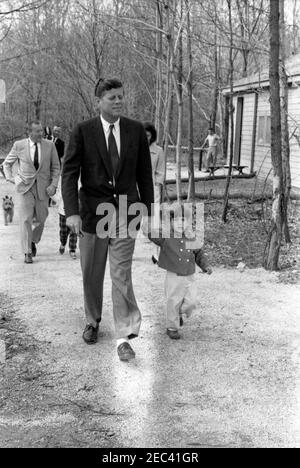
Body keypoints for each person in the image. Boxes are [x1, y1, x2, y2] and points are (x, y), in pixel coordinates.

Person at [61, 77, 154, 362]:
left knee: (121, 274)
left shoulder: (136, 130)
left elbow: (144, 174)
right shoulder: (83, 131)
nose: (118, 101)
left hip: (126, 209)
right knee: (92, 272)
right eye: (112, 97)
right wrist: (72, 212)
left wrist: (147, 211)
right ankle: (93, 320)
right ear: (98, 101)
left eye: (121, 97)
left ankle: (124, 336)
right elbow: (69, 173)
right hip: (93, 211)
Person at [144, 202, 212, 340]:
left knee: (191, 302)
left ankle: (178, 314)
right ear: (170, 222)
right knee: (173, 301)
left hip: (189, 276)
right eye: (176, 220)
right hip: (174, 276)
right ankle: (172, 327)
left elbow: (198, 253)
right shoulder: (166, 237)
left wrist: (206, 266)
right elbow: (151, 234)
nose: (180, 223)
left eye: (183, 220)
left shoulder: (190, 237)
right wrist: (149, 220)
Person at [3, 121, 60, 263]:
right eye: (38, 131)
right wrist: (12, 179)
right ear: (30, 132)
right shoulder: (19, 145)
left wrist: (53, 185)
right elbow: (6, 164)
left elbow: (56, 167)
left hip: (43, 188)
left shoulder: (50, 145)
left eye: (42, 130)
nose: (41, 133)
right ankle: (27, 252)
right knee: (25, 219)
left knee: (42, 218)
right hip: (25, 188)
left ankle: (33, 240)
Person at [143, 122, 165, 263]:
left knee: (153, 221)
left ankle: (156, 253)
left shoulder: (158, 151)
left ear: (152, 136)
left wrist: (157, 187)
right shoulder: (133, 148)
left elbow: (160, 172)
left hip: (152, 190)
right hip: (134, 190)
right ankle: (127, 251)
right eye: (143, 135)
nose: (146, 138)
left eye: (148, 135)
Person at [51, 173, 78, 259]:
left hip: (75, 212)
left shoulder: (80, 181)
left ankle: (72, 250)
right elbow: (58, 197)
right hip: (63, 212)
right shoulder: (62, 181)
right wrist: (51, 194)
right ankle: (63, 243)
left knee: (74, 232)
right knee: (63, 232)